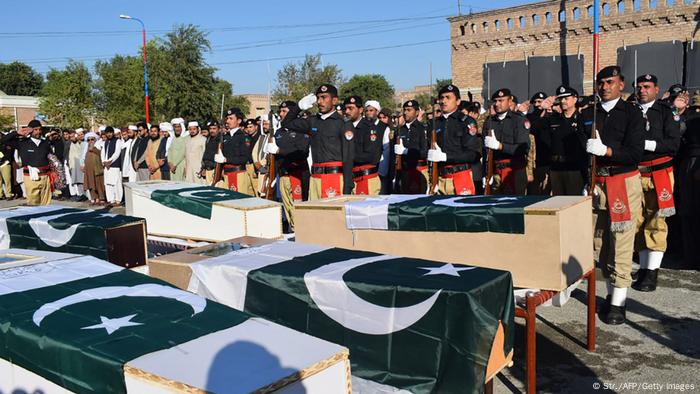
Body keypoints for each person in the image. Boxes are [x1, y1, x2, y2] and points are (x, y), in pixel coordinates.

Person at [583, 65, 644, 325]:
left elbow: (635, 153)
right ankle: (610, 293)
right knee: (600, 241)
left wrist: (606, 151)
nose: (604, 87)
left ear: (621, 85)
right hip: (597, 183)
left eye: (610, 82)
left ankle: (618, 302)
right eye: (601, 83)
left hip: (622, 182)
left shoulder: (632, 114)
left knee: (621, 241)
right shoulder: (590, 113)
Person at [632, 74, 682, 291]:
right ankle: (643, 268)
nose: (642, 90)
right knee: (637, 221)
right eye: (639, 87)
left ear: (656, 89)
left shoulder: (664, 111)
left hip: (659, 172)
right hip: (635, 173)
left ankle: (652, 272)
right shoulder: (631, 111)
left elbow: (673, 144)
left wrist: (647, 144)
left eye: (647, 87)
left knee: (657, 221)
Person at [282, 84, 355, 200]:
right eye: (318, 98)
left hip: (334, 177)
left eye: (324, 97)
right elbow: (286, 123)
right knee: (315, 217)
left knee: (333, 217)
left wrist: (347, 187)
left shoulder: (343, 123)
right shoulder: (313, 121)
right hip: (315, 178)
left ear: (334, 100)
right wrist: (298, 107)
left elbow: (348, 157)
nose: (320, 102)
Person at [427, 84, 482, 195]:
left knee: (463, 211)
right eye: (442, 98)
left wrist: (445, 157)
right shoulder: (434, 123)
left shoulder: (466, 122)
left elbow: (472, 154)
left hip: (461, 175)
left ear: (457, 101)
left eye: (448, 97)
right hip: (440, 177)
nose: (443, 101)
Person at [264, 101, 311, 231]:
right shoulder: (278, 132)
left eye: (284, 111)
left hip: (297, 174)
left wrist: (279, 150)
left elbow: (302, 151)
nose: (281, 114)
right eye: (280, 111)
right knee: (289, 209)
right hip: (283, 175)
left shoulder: (301, 130)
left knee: (299, 209)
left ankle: (302, 234)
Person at [540, 86, 588, 195]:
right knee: (558, 202)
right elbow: (535, 128)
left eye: (566, 98)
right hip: (556, 168)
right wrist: (543, 109)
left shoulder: (582, 118)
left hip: (575, 168)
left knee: (573, 203)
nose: (562, 101)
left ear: (575, 99)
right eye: (560, 99)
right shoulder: (553, 119)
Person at [483, 88, 531, 195]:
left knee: (513, 205)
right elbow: (484, 150)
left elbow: (523, 148)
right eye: (495, 101)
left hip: (513, 170)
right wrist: (485, 173)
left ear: (509, 102)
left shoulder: (519, 120)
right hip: (495, 171)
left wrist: (501, 146)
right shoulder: (489, 122)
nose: (497, 104)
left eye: (501, 100)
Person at [0, 120, 58, 205]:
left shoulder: (46, 143)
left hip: (45, 176)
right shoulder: (22, 143)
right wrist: (16, 133)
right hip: (30, 176)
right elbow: (3, 140)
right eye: (35, 129)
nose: (38, 132)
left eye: (40, 129)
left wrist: (55, 171)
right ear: (30, 130)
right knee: (33, 203)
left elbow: (51, 158)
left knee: (46, 204)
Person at [344, 96, 381, 195]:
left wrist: (348, 157)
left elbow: (371, 155)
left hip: (366, 178)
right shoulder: (344, 127)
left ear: (360, 110)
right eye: (346, 108)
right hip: (350, 178)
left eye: (351, 108)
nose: (347, 111)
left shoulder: (369, 127)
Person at [216, 107, 255, 195]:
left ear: (239, 121)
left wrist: (226, 160)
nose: (227, 121)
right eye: (227, 118)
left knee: (238, 202)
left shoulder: (243, 137)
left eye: (231, 118)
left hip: (238, 174)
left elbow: (245, 158)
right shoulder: (225, 137)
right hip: (225, 174)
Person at [394, 100, 428, 194]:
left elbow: (424, 152)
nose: (405, 112)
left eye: (409, 110)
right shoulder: (399, 130)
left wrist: (406, 151)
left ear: (417, 112)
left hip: (419, 170)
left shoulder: (422, 128)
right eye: (404, 110)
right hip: (404, 171)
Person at [364, 100, 392, 194]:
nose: (368, 113)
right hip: (364, 168)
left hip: (378, 169)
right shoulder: (362, 125)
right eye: (367, 110)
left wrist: (382, 170)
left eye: (371, 110)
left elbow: (386, 149)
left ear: (377, 112)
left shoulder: (384, 127)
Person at [527, 92, 551, 195]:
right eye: (535, 102)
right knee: (533, 190)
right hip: (534, 159)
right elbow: (533, 128)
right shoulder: (529, 117)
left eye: (540, 102)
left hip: (548, 158)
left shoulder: (552, 116)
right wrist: (541, 118)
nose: (537, 104)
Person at [101, 126, 124, 204]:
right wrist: (103, 161)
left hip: (114, 165)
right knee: (108, 183)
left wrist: (110, 161)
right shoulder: (105, 142)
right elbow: (103, 153)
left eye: (110, 132)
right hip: (106, 166)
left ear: (113, 133)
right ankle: (111, 199)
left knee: (116, 183)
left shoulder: (118, 141)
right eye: (107, 133)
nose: (109, 134)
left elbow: (117, 153)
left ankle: (118, 200)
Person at [82, 132, 106, 205]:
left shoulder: (99, 145)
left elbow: (101, 154)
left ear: (95, 139)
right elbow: (83, 158)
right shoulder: (86, 147)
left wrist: (93, 149)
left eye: (92, 139)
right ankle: (95, 198)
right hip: (89, 169)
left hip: (97, 168)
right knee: (91, 184)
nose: (90, 141)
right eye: (88, 140)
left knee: (98, 183)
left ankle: (101, 198)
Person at [202, 120, 222, 186]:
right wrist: (203, 168)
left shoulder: (221, 139)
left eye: (214, 128)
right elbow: (206, 154)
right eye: (210, 128)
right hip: (208, 168)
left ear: (219, 129)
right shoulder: (208, 139)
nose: (212, 130)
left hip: (216, 169)